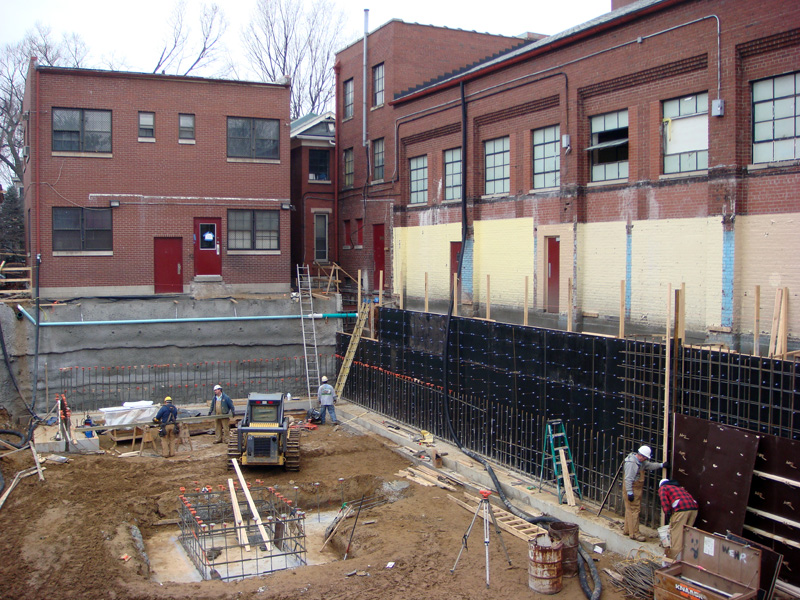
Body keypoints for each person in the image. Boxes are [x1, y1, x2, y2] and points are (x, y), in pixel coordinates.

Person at [622, 445, 668, 541]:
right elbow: (628, 479)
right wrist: (630, 492)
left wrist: (661, 465)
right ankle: (635, 534)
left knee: (630, 510)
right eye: (646, 458)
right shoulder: (632, 464)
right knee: (634, 511)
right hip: (632, 489)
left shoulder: (640, 462)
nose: (646, 460)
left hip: (635, 488)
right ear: (642, 456)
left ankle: (627, 530)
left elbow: (649, 465)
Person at [658, 478, 698, 560]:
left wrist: (667, 513)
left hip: (681, 510)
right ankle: (687, 558)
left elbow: (664, 501)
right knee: (687, 533)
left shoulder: (663, 488)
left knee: (677, 536)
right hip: (694, 509)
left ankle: (674, 560)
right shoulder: (679, 488)